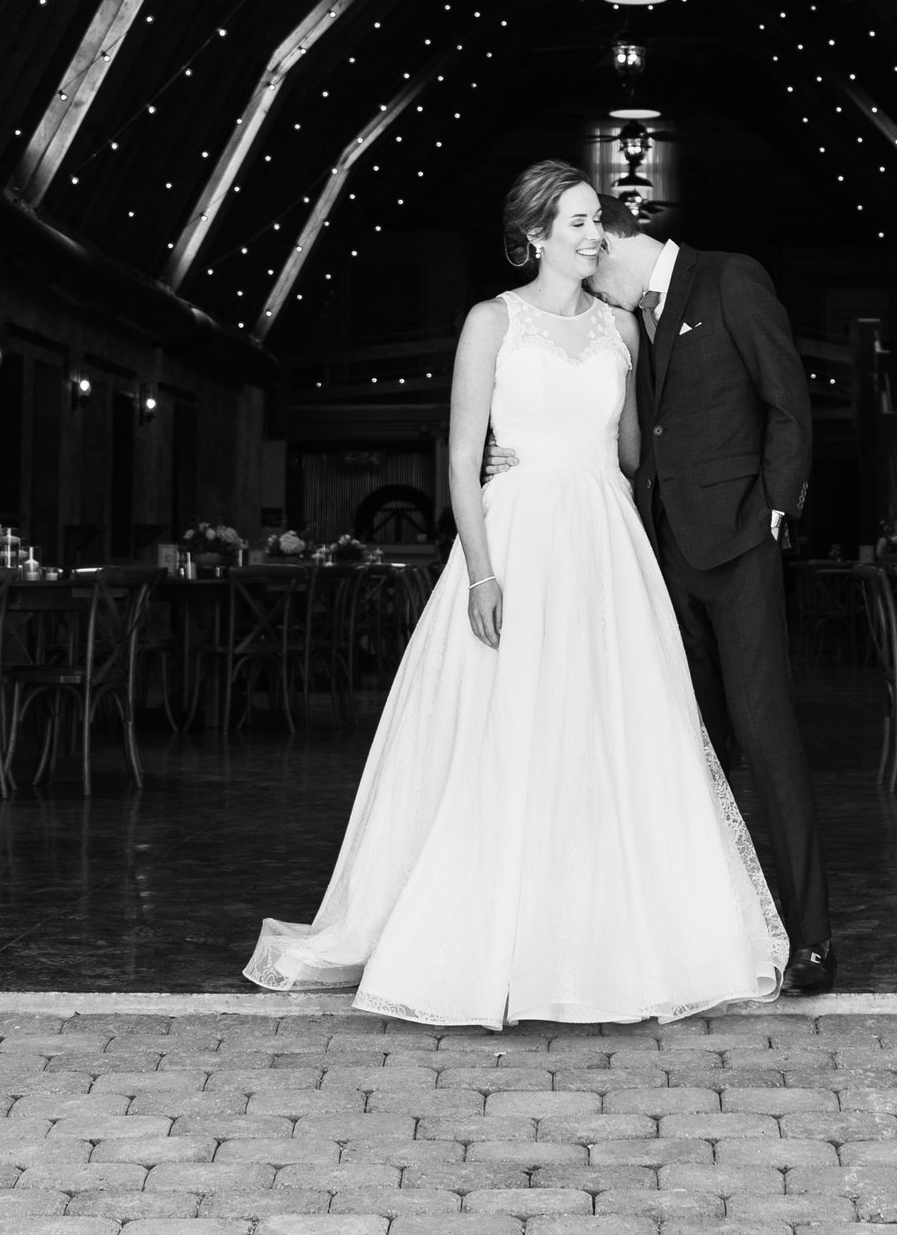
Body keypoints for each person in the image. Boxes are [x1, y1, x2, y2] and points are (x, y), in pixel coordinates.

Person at [243, 163, 784, 1025]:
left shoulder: (623, 330)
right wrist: (484, 569)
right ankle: (489, 935)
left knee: (612, 734)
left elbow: (639, 453)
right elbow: (461, 457)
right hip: (517, 541)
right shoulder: (491, 322)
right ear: (535, 234)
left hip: (606, 546)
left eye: (593, 222)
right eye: (575, 222)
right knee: (510, 729)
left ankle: (607, 936)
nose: (593, 235)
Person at [589, 212, 834, 992]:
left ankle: (814, 942)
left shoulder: (731, 277)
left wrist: (775, 509)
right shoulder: (637, 320)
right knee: (696, 754)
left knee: (768, 741)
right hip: (668, 557)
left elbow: (788, 399)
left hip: (738, 549)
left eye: (597, 270)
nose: (596, 286)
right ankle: (724, 937)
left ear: (623, 242)